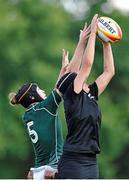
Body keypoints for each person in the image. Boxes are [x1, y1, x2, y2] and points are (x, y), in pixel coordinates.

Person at [8, 22, 91, 180]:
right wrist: (81, 42)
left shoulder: (30, 114)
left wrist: (62, 70)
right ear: (33, 96)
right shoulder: (44, 109)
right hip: (52, 169)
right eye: (39, 90)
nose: (43, 91)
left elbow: (58, 86)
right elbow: (70, 77)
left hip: (38, 171)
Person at [55, 14, 115, 179]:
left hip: (91, 162)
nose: (77, 72)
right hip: (74, 161)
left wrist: (106, 42)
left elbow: (109, 71)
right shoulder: (73, 94)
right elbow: (87, 64)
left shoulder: (91, 93)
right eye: (73, 73)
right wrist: (94, 34)